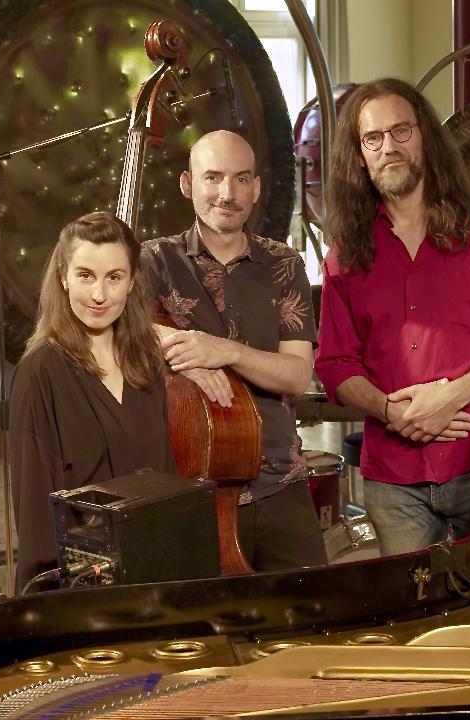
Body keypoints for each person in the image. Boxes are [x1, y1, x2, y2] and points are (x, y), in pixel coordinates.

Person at [314, 77, 470, 556]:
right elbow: (335, 364)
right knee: (409, 601)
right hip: (393, 479)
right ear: (358, 156)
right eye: (372, 138)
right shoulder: (345, 256)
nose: (388, 147)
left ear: (425, 137)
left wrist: (450, 397)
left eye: (401, 131)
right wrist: (392, 411)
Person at [142, 130, 327, 570]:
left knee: (313, 608)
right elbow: (115, 330)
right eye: (213, 177)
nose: (227, 193)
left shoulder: (284, 263)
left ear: (256, 188)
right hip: (192, 485)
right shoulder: (155, 260)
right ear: (188, 183)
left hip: (280, 480)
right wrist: (180, 354)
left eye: (241, 179)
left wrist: (225, 351)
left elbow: (296, 375)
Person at [10, 211, 174, 591]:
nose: (99, 295)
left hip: (152, 576)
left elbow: (165, 483)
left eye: (113, 277)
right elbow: (35, 515)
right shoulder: (39, 372)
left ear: (132, 282)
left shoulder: (145, 362)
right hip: (80, 589)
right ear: (63, 277)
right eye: (85, 276)